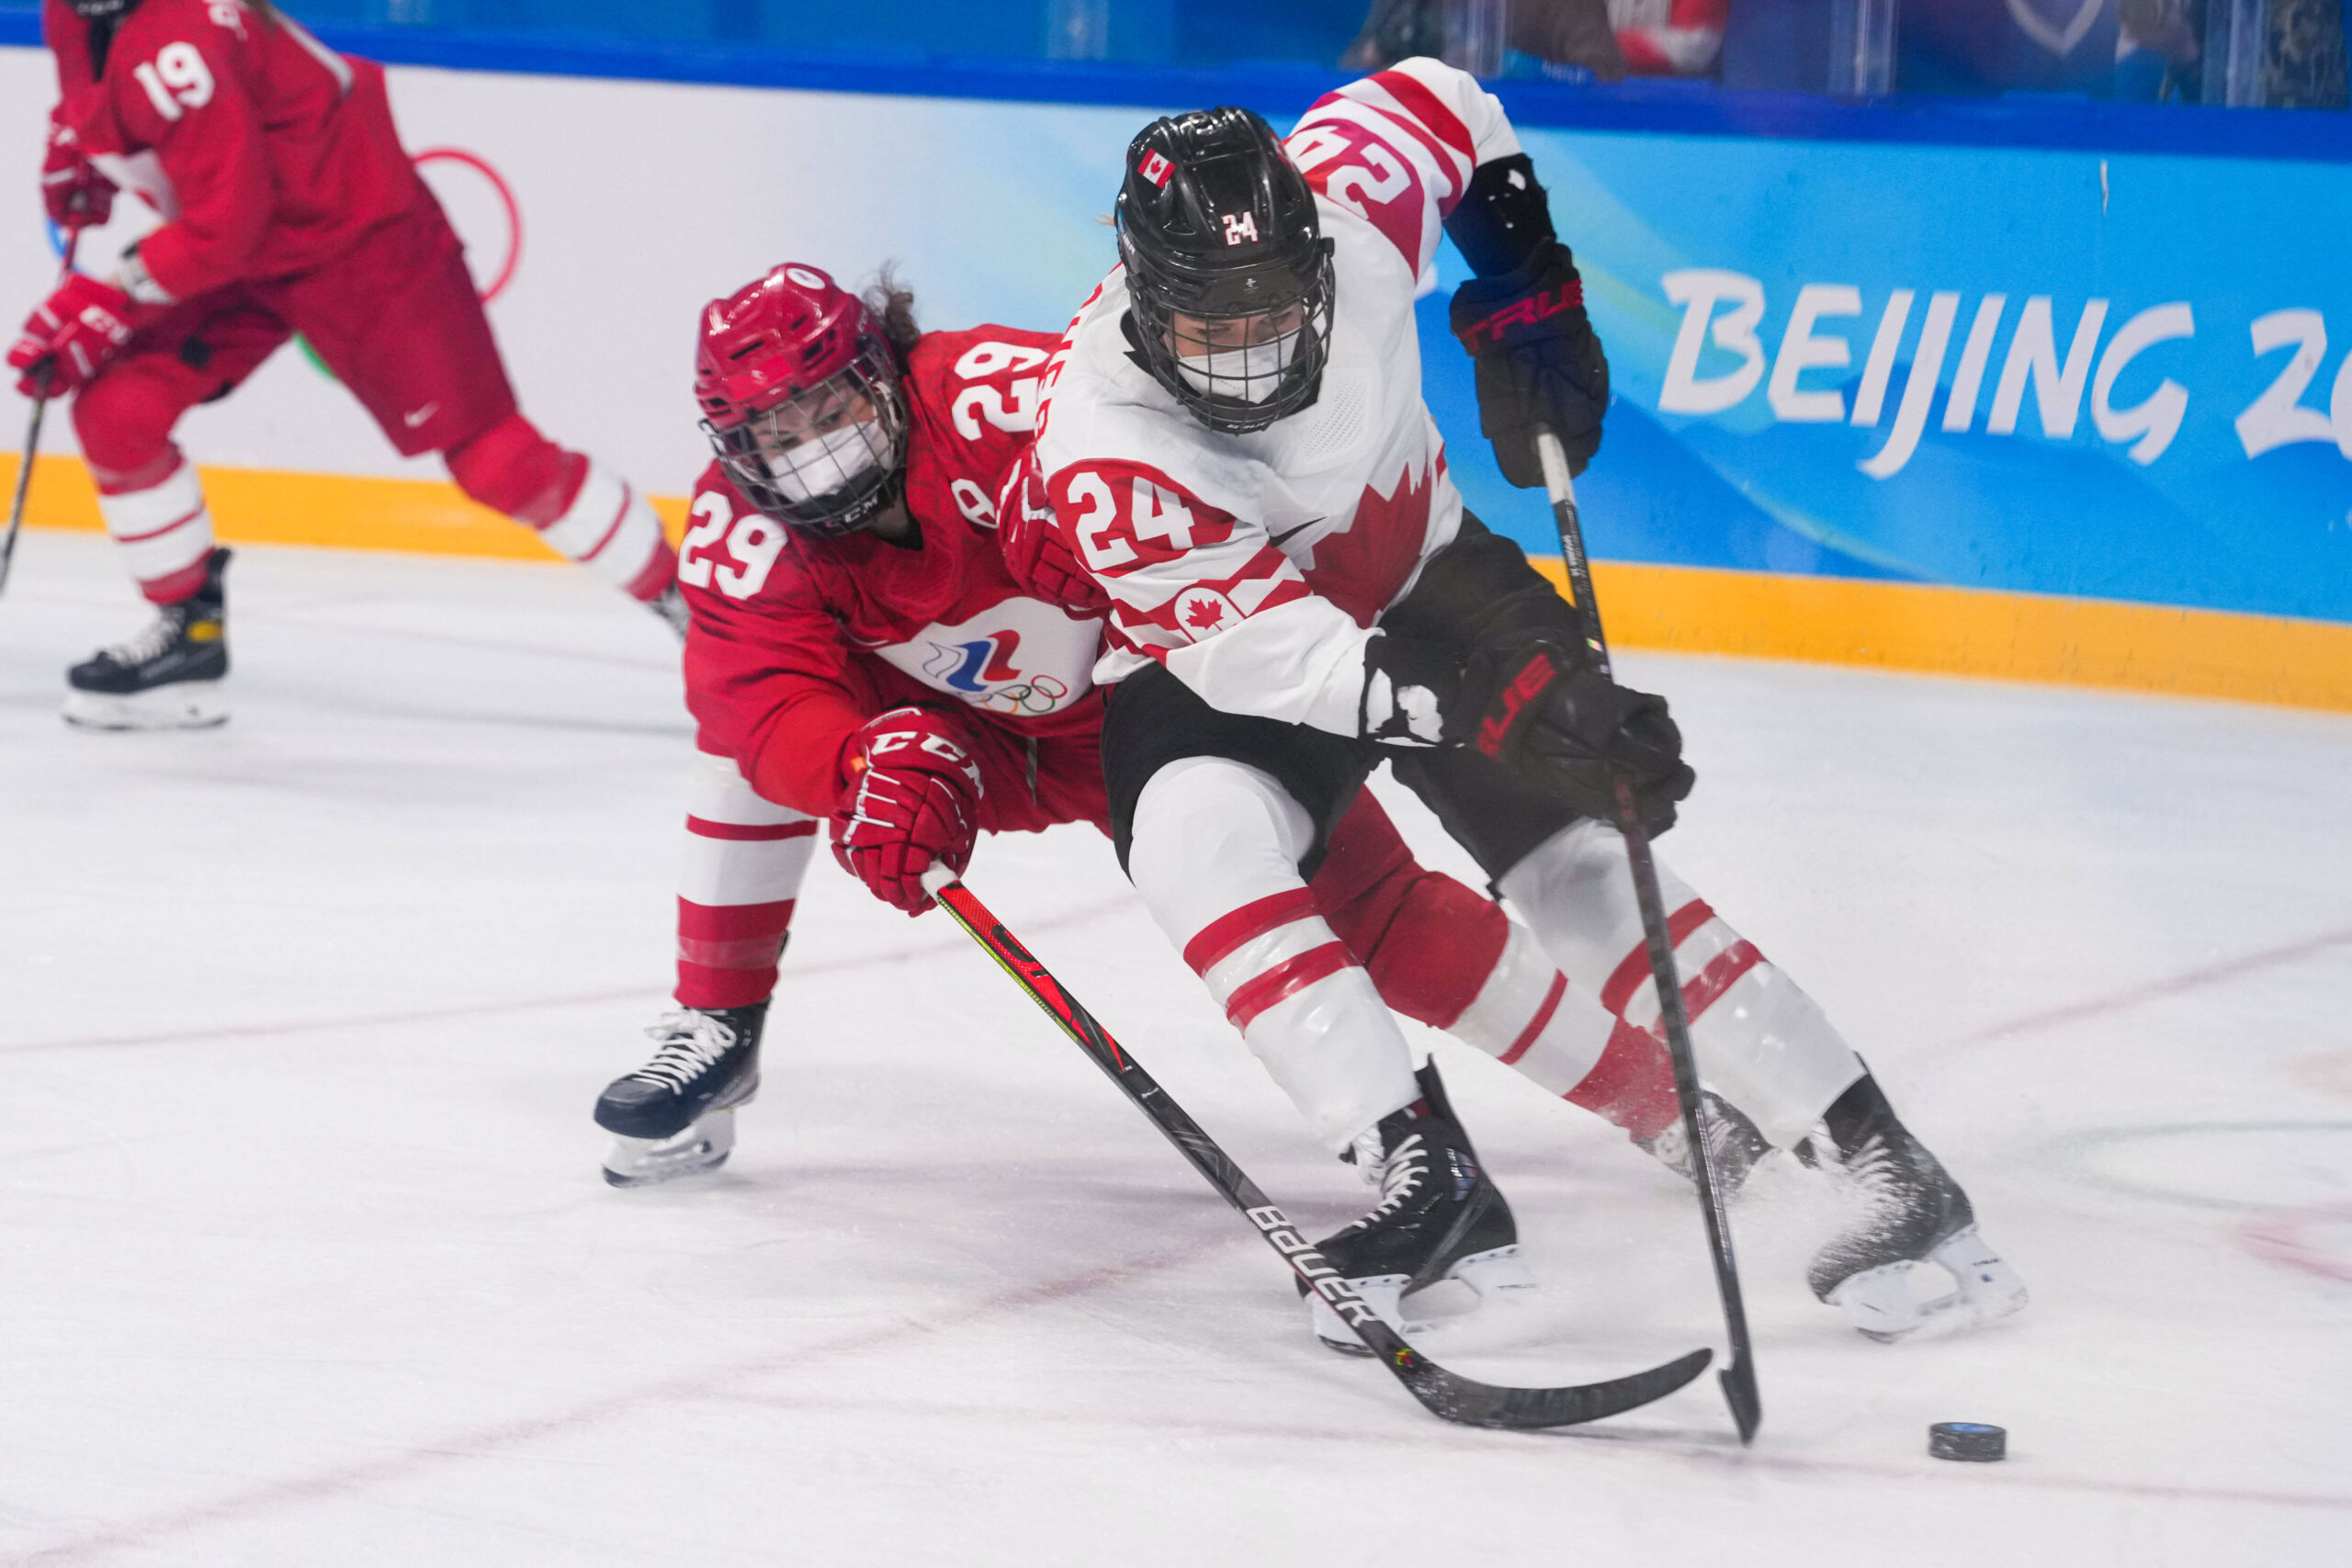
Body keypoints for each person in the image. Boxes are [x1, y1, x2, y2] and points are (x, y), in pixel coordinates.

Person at [998, 59, 2028, 1343]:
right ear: (1148, 308)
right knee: (1191, 835)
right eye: (1216, 326)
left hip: (1425, 565)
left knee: (1585, 866)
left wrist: (1523, 278)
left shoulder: (1358, 201)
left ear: (1321, 246)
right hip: (1242, 660)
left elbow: (1454, 100)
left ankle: (1883, 1161)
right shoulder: (1103, 442)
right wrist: (1494, 710)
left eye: (1278, 310)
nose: (1257, 356)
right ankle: (1425, 1177)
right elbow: (1285, 660)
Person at [592, 265, 1706, 1345]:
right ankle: (719, 1025)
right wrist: (855, 771)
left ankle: (1666, 1102)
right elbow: (757, 693)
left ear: (880, 366)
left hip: (1153, 688)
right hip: (962, 745)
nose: (810, 452)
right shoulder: (748, 531)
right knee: (740, 755)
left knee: (1382, 916)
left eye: (824, 407)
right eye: (774, 438)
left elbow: (1174, 490)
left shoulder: (998, 397)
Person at [7, 0, 678, 731]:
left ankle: (701, 612)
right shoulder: (76, 16)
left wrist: (111, 294)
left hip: (362, 242)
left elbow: (224, 225)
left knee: (496, 461)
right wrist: (85, 144)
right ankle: (188, 638)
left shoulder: (179, 36)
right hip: (255, 249)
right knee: (117, 409)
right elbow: (119, 109)